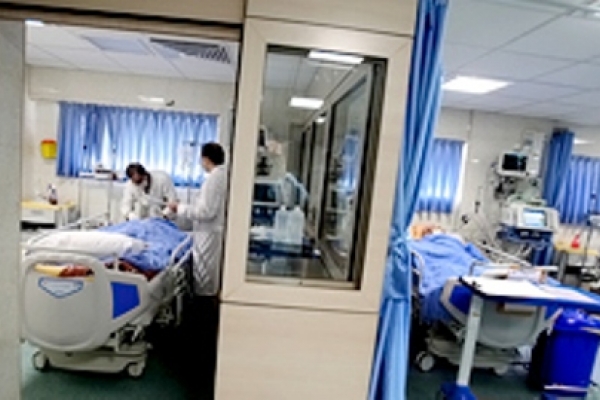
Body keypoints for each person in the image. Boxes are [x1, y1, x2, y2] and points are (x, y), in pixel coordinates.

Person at [167, 142, 228, 297]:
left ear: (206, 159)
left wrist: (180, 208)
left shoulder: (214, 179)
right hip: (209, 231)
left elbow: (205, 212)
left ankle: (204, 306)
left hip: (208, 232)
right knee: (207, 276)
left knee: (205, 279)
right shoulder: (220, 176)